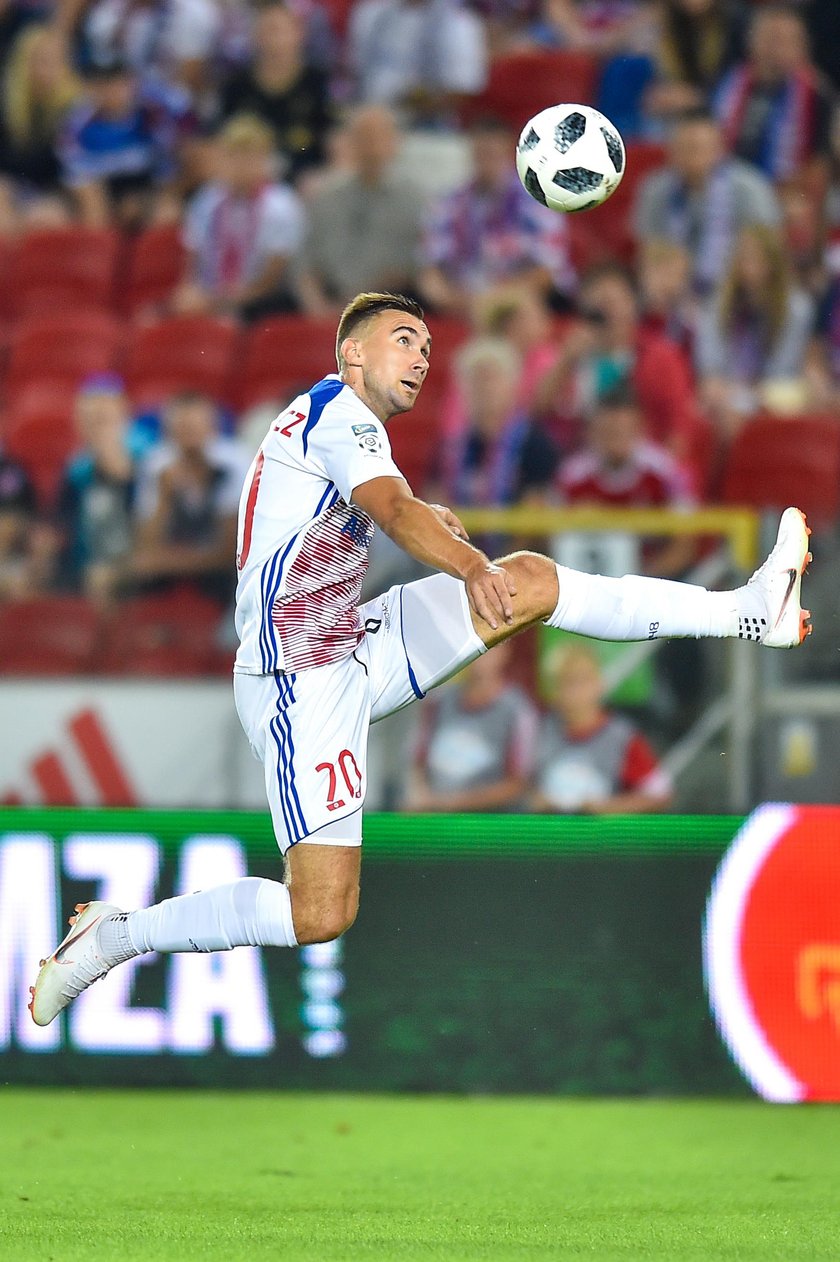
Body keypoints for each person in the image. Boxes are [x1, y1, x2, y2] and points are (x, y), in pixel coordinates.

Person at [29, 291, 812, 1029]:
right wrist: (468, 564)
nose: (423, 356)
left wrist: (438, 532)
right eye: (404, 339)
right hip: (296, 686)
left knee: (532, 580)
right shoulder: (335, 410)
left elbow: (378, 506)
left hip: (350, 644)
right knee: (320, 914)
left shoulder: (349, 427)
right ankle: (115, 937)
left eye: (429, 345)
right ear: (351, 357)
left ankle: (745, 612)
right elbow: (394, 511)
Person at [534, 262, 698, 462]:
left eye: (614, 301)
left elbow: (678, 428)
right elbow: (538, 411)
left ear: (633, 306)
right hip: (579, 467)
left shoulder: (661, 357)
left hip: (642, 470)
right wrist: (566, 362)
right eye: (599, 303)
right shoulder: (570, 353)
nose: (607, 311)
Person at [419, 115, 575, 318]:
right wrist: (449, 297)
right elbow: (429, 272)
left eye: (493, 154)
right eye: (481, 153)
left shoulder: (536, 203)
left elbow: (547, 272)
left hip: (517, 305)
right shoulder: (448, 203)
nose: (486, 161)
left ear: (510, 153)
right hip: (460, 303)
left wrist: (494, 299)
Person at [633, 109, 781, 295]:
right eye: (682, 148)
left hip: (735, 295)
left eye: (697, 148)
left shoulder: (750, 189)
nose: (690, 157)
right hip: (674, 297)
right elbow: (648, 254)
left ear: (719, 149)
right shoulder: (655, 190)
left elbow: (769, 255)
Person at [556, 383, 697, 578]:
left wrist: (639, 583)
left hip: (651, 584)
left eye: (622, 432)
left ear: (639, 429)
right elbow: (549, 536)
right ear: (593, 431)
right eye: (608, 432)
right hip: (585, 584)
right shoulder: (572, 476)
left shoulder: (665, 473)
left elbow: (685, 543)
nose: (615, 441)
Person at [174, 113, 305, 320]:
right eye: (234, 157)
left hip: (258, 301)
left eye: (250, 158)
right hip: (211, 294)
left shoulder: (281, 205)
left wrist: (233, 299)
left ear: (266, 161)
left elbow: (274, 274)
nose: (241, 166)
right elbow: (192, 258)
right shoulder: (206, 200)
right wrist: (191, 290)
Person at [296, 105, 423, 315]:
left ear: (395, 142)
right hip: (328, 306)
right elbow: (305, 264)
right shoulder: (326, 197)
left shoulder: (414, 202)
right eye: (362, 137)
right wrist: (317, 306)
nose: (370, 146)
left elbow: (409, 269)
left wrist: (356, 307)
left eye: (377, 136)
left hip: (387, 308)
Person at [127, 391, 248, 604]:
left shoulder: (235, 463)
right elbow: (145, 541)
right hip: (172, 557)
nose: (188, 437)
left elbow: (231, 550)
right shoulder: (157, 464)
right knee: (130, 576)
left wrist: (168, 562)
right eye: (181, 429)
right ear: (168, 431)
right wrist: (165, 495)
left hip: (223, 570)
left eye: (194, 428)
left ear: (212, 427)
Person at [695, 224, 815, 435]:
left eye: (758, 259)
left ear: (773, 263)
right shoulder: (717, 305)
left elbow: (783, 370)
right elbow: (710, 365)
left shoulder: (797, 309)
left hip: (770, 396)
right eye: (745, 258)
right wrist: (724, 391)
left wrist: (746, 398)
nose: (750, 266)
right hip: (726, 394)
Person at [531, 644, 672, 814]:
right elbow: (521, 784)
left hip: (600, 837)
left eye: (582, 682)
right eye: (565, 683)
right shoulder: (541, 730)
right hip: (551, 836)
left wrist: (608, 807)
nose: (574, 693)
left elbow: (660, 795)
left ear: (599, 684)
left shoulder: (622, 737)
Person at [58, 54, 195, 227]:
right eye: (103, 83)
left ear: (132, 83)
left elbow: (169, 165)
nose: (111, 90)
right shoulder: (78, 124)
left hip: (147, 185)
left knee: (167, 210)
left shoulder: (154, 113)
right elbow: (77, 176)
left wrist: (145, 199)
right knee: (92, 204)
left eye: (118, 82)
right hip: (103, 189)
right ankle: (100, 249)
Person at [405, 641, 538, 812]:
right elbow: (417, 762)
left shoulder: (519, 711)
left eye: (491, 645)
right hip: (434, 822)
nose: (480, 654)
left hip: (488, 827)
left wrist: (450, 804)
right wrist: (421, 798)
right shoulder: (438, 702)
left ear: (505, 652)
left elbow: (519, 783)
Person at [714, 5, 834, 184]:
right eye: (771, 38)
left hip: (788, 189)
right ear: (751, 41)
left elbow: (820, 162)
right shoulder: (727, 83)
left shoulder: (817, 95)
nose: (777, 49)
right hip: (728, 183)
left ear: (802, 47)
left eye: (787, 40)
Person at [217, 2, 332, 184]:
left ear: (299, 34)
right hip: (247, 180)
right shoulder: (236, 87)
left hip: (305, 179)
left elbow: (334, 139)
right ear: (255, 37)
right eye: (268, 32)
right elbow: (220, 139)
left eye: (280, 31)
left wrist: (322, 175)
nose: (275, 42)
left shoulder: (318, 83)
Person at [55, 374, 142, 604]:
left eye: (102, 418)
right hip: (84, 563)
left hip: (136, 561)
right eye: (87, 418)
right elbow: (61, 519)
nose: (94, 426)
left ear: (124, 414)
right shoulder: (78, 466)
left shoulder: (145, 451)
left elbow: (132, 482)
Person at [442, 335, 557, 506]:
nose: (485, 388)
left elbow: (537, 506)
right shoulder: (451, 447)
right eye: (476, 380)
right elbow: (436, 497)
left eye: (492, 379)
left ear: (513, 385)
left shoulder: (535, 443)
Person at [347, 0, 487, 125]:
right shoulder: (370, 12)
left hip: (426, 128)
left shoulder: (459, 22)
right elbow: (352, 70)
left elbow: (463, 89)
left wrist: (411, 105)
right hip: (366, 118)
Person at [0, 24, 80, 218]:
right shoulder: (8, 106)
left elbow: (71, 169)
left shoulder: (76, 108)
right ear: (22, 64)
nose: (50, 69)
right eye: (42, 60)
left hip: (57, 193)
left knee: (45, 215)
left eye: (57, 61)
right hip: (13, 189)